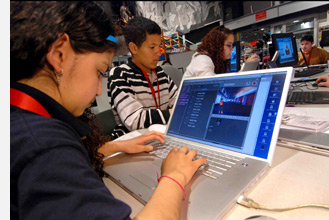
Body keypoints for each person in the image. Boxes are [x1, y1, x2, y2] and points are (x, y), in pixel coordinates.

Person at [10, 2, 206, 219]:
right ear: (58, 55)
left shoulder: (20, 122)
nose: (98, 90)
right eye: (99, 71)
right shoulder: (44, 148)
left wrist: (112, 147)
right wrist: (175, 176)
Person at [108, 16, 178, 139]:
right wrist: (172, 113)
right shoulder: (120, 75)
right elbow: (134, 121)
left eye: (159, 45)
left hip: (161, 137)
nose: (159, 51)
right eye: (152, 47)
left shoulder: (161, 75)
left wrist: (177, 111)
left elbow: (179, 103)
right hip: (131, 141)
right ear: (134, 48)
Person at [183, 25, 260, 78]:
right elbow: (213, 87)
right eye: (229, 45)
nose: (232, 49)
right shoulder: (202, 60)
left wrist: (244, 69)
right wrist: (243, 71)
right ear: (217, 45)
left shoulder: (215, 60)